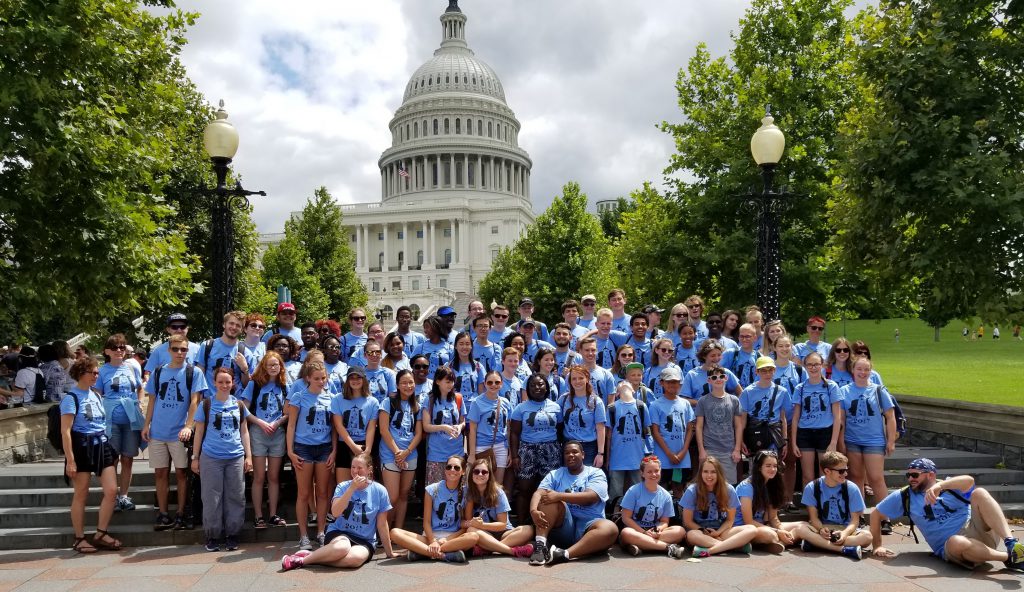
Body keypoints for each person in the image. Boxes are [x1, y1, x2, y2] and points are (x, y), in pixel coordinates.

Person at [870, 458, 1024, 570]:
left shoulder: (949, 485)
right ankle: (1009, 558)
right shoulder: (904, 495)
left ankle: (1011, 543)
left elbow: (969, 481)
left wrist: (940, 486)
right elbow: (875, 514)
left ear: (930, 475)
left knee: (980, 493)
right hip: (952, 545)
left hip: (976, 529)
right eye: (908, 475)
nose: (910, 479)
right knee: (956, 541)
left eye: (915, 475)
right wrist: (877, 546)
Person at [281, 453, 396, 570]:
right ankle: (301, 561)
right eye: (353, 467)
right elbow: (335, 512)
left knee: (354, 560)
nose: (355, 471)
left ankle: (313, 557)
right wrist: (352, 489)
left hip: (365, 540)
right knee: (342, 547)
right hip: (340, 532)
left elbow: (382, 524)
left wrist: (389, 552)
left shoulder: (380, 491)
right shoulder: (343, 486)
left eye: (360, 468)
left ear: (369, 470)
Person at [143, 334, 206, 531]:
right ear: (169, 350)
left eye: (183, 349)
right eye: (176, 349)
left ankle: (181, 512)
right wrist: (147, 425)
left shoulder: (193, 372)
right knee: (160, 473)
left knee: (181, 473)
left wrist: (189, 426)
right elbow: (152, 400)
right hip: (158, 431)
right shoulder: (159, 372)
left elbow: (195, 402)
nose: (180, 353)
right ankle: (163, 513)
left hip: (179, 432)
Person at [61, 357, 121, 553]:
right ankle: (79, 538)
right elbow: (66, 431)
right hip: (82, 446)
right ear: (81, 374)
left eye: (97, 373)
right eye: (93, 373)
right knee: (81, 493)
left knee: (111, 490)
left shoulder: (96, 394)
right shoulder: (71, 398)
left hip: (101, 443)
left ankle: (101, 533)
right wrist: (70, 460)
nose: (96, 376)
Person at [191, 367, 253, 552]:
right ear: (215, 383)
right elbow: (199, 432)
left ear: (233, 382)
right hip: (211, 456)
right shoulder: (206, 404)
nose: (224, 385)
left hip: (235, 456)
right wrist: (195, 458)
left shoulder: (239, 405)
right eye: (221, 382)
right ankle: (213, 535)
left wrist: (248, 456)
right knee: (211, 497)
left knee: (236, 496)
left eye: (228, 382)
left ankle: (232, 534)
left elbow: (244, 431)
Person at [528, 440, 618, 565]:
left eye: (575, 452)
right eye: (567, 453)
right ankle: (540, 547)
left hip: (589, 526)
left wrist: (559, 495)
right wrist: (533, 511)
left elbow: (590, 497)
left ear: (583, 455)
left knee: (610, 528)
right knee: (548, 499)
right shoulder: (555, 474)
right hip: (564, 526)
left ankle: (563, 554)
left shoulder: (595, 473)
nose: (571, 455)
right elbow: (538, 493)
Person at [286, 360, 336, 550]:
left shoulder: (331, 398)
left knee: (323, 492)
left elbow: (333, 428)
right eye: (316, 378)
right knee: (304, 492)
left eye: (323, 378)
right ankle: (303, 535)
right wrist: (290, 451)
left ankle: (321, 532)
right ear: (307, 378)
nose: (321, 381)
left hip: (324, 448)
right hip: (303, 448)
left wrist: (334, 450)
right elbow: (291, 425)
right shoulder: (299, 396)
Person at [390, 454, 476, 563]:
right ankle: (444, 555)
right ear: (445, 470)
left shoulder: (467, 493)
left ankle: (422, 552)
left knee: (473, 537)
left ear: (463, 471)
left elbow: (467, 525)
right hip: (430, 536)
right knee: (394, 533)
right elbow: (426, 522)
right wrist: (433, 541)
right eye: (449, 467)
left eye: (456, 467)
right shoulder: (432, 489)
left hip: (452, 538)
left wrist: (446, 540)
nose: (452, 470)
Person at [239, 351, 289, 529]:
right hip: (258, 432)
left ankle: (273, 513)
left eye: (276, 365)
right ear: (264, 367)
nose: (273, 368)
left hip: (277, 433)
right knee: (259, 476)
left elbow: (288, 410)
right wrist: (260, 423)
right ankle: (259, 515)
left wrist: (277, 423)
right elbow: (244, 409)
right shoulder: (255, 384)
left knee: (274, 476)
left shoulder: (284, 385)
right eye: (270, 365)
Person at [97, 334, 145, 512]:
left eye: (122, 347)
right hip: (111, 420)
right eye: (115, 347)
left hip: (130, 420)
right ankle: (111, 496)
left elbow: (140, 388)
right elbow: (96, 393)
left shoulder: (132, 368)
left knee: (128, 458)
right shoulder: (102, 371)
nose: (119, 350)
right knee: (113, 459)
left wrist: (139, 403)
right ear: (107, 351)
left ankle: (124, 496)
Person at [841, 356, 896, 509]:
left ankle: (885, 516)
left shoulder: (878, 390)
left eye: (866, 369)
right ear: (852, 370)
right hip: (852, 440)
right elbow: (842, 420)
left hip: (874, 441)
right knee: (856, 477)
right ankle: (859, 513)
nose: (862, 372)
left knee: (876, 478)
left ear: (871, 371)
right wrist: (840, 442)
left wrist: (891, 441)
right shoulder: (844, 391)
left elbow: (890, 416)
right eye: (859, 369)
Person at [796, 451, 871, 560]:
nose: (845, 474)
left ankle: (816, 544)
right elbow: (813, 518)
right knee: (801, 529)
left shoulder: (852, 488)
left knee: (867, 537)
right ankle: (845, 548)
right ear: (827, 471)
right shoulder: (812, 487)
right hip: (822, 527)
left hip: (845, 528)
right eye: (841, 471)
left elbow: (855, 521)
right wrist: (821, 529)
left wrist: (845, 533)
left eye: (846, 470)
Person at [509, 374, 563, 521]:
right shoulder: (521, 408)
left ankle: (545, 523)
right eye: (532, 385)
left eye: (540, 384)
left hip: (551, 451)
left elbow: (559, 430)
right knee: (524, 489)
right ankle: (521, 524)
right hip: (527, 450)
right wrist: (514, 456)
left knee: (548, 489)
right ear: (528, 388)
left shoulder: (556, 407)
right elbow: (514, 433)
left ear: (546, 387)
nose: (537, 388)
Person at [680, 456, 757, 557]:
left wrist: (717, 533)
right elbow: (687, 522)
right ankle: (734, 546)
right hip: (700, 531)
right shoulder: (692, 490)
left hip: (722, 530)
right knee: (691, 535)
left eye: (713, 472)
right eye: (705, 472)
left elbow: (730, 520)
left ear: (719, 473)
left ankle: (709, 551)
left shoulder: (729, 490)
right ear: (701, 473)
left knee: (752, 529)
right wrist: (704, 531)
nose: (709, 475)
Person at [790, 352, 842, 492]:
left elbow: (837, 416)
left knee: (825, 473)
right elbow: (795, 417)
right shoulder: (800, 388)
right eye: (810, 365)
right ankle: (810, 507)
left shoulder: (831, 386)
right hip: (805, 433)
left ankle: (823, 504)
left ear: (822, 365)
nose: (813, 368)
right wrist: (794, 442)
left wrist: (833, 442)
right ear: (805, 366)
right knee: (807, 476)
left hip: (825, 432)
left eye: (816, 364)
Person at [617, 455, 687, 557]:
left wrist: (658, 529)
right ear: (642, 473)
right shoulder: (633, 491)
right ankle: (668, 547)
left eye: (656, 471)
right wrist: (643, 533)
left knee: (680, 531)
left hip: (654, 531)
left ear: (660, 471)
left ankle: (641, 545)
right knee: (626, 533)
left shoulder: (666, 495)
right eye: (649, 472)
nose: (653, 474)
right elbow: (626, 518)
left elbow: (664, 521)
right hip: (636, 530)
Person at [464, 457, 535, 557]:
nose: (480, 474)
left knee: (529, 530)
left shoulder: (498, 492)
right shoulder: (467, 490)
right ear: (471, 474)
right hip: (482, 533)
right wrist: (470, 498)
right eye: (476, 471)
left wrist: (482, 525)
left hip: (502, 533)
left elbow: (502, 524)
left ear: (489, 475)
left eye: (484, 472)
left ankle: (489, 549)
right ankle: (511, 551)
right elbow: (468, 520)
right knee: (471, 530)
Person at [736, 450, 802, 553]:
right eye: (768, 466)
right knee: (770, 535)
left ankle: (781, 543)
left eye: (775, 466)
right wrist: (778, 531)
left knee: (802, 525)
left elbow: (773, 518)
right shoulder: (747, 487)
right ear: (759, 467)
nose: (772, 469)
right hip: (745, 528)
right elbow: (748, 521)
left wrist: (781, 530)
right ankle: (782, 541)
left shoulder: (772, 485)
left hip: (763, 526)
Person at [649, 366, 696, 500]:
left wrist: (683, 452)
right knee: (661, 487)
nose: (672, 385)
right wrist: (669, 454)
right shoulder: (656, 405)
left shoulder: (685, 404)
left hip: (681, 458)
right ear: (661, 383)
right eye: (669, 382)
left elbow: (689, 428)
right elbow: (655, 432)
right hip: (663, 457)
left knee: (678, 486)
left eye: (675, 382)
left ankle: (678, 516)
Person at [695, 364, 743, 488]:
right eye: (714, 377)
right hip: (709, 449)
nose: (718, 379)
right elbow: (699, 427)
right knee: (708, 485)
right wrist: (701, 450)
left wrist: (737, 449)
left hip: (729, 450)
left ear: (726, 378)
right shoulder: (703, 401)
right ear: (709, 380)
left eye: (721, 376)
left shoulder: (734, 400)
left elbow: (738, 426)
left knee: (729, 486)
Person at [468, 370, 516, 492]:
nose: (493, 385)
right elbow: (472, 430)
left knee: (498, 484)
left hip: (501, 446)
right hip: (482, 446)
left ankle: (493, 509)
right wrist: (472, 454)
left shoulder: (505, 402)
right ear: (484, 384)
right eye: (490, 382)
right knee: (480, 482)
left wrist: (509, 450)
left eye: (497, 382)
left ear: (501, 384)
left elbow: (508, 427)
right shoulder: (477, 402)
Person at [605, 381, 651, 508]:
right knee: (615, 492)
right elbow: (608, 436)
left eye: (628, 386)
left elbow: (647, 432)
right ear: (617, 393)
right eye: (621, 387)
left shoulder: (641, 406)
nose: (625, 387)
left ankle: (637, 514)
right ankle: (615, 515)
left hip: (637, 457)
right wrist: (607, 459)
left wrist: (649, 454)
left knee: (638, 490)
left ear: (633, 391)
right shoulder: (612, 408)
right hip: (617, 458)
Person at [332, 366, 379, 485]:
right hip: (345, 445)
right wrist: (353, 447)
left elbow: (371, 427)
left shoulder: (372, 401)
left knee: (364, 486)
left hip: (364, 444)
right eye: (351, 377)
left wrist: (367, 450)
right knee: (343, 486)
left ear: (364, 380)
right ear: (347, 380)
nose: (355, 380)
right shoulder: (338, 399)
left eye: (358, 377)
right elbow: (339, 426)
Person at [739, 357, 789, 464]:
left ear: (774, 371)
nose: (767, 374)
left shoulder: (782, 392)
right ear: (757, 372)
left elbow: (782, 418)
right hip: (755, 433)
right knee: (756, 467)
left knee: (772, 467)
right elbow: (742, 420)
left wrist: (785, 441)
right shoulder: (747, 392)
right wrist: (741, 440)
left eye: (770, 370)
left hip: (773, 434)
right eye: (763, 371)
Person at [422, 367, 466, 486]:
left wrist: (459, 427)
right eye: (447, 381)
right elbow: (426, 426)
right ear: (437, 381)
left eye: (452, 381)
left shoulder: (458, 398)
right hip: (437, 452)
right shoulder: (429, 399)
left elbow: (463, 421)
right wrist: (443, 427)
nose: (450, 384)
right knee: (435, 489)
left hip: (456, 451)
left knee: (457, 488)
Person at [559, 366, 607, 467]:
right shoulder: (563, 399)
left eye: (581, 378)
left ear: (587, 379)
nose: (577, 381)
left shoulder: (596, 401)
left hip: (589, 448)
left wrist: (600, 453)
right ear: (570, 381)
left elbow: (600, 428)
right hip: (569, 446)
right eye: (574, 378)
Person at [196, 310, 246, 392]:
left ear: (241, 329)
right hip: (210, 401)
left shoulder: (244, 352)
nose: (234, 327)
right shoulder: (207, 346)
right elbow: (198, 376)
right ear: (224, 324)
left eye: (238, 325)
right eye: (231, 323)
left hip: (234, 402)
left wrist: (244, 369)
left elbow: (247, 385)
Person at [144, 313, 200, 381]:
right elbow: (148, 373)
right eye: (174, 327)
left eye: (182, 326)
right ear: (168, 329)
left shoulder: (198, 349)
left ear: (187, 329)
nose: (179, 330)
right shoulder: (158, 350)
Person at [450, 331, 485, 406]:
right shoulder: (449, 366)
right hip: (455, 407)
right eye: (461, 344)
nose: (464, 347)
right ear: (455, 346)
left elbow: (481, 392)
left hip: (474, 407)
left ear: (471, 346)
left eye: (467, 344)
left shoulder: (478, 366)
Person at [576, 337, 617, 403]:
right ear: (580, 351)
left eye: (593, 350)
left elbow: (611, 404)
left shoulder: (607, 374)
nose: (590, 353)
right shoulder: (573, 375)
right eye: (587, 350)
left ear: (597, 351)